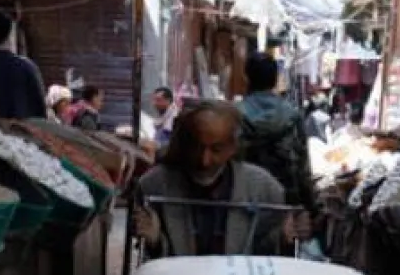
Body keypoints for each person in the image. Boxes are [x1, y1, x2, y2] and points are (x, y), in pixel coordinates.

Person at [133, 100, 309, 258]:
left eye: (216, 150)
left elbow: (266, 254)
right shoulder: (154, 186)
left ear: (233, 146)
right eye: (197, 147)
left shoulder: (264, 189)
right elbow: (149, 264)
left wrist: (284, 237)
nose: (204, 160)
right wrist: (155, 240)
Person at [236, 52, 318, 216]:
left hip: (244, 198)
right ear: (275, 79)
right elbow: (302, 167)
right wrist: (311, 206)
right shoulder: (292, 115)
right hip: (284, 200)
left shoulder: (234, 114)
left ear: (247, 77)